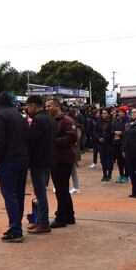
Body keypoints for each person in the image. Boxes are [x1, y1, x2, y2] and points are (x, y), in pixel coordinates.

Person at [0, 92, 29, 242]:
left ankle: (15, 229)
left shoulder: (0, 116)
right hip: (22, 159)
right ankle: (16, 226)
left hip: (9, 160)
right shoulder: (18, 115)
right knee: (18, 194)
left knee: (10, 195)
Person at [25, 95, 56, 235]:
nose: (26, 109)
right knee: (40, 192)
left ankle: (44, 223)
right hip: (48, 159)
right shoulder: (50, 118)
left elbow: (31, 139)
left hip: (38, 160)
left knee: (40, 193)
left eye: (28, 106)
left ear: (33, 105)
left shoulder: (38, 119)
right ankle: (39, 221)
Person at [46, 98, 78, 228]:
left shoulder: (67, 121)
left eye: (49, 106)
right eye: (46, 106)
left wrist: (53, 141)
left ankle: (61, 217)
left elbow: (72, 137)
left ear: (57, 106)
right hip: (55, 158)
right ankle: (69, 216)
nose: (47, 108)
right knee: (62, 189)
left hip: (63, 159)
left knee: (61, 189)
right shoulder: (52, 121)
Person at [96, 108, 115, 181]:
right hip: (100, 143)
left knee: (109, 159)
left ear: (109, 114)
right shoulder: (99, 121)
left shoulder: (112, 122)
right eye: (102, 113)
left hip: (109, 142)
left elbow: (112, 132)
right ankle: (104, 174)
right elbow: (95, 131)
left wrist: (105, 138)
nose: (103, 115)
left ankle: (109, 174)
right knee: (102, 159)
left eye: (105, 113)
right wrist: (98, 138)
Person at [112, 107, 129, 184]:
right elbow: (112, 130)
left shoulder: (128, 121)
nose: (120, 113)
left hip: (124, 143)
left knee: (125, 160)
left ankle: (126, 176)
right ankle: (121, 175)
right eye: (119, 112)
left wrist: (121, 133)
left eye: (122, 112)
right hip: (116, 142)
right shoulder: (115, 120)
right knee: (119, 160)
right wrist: (115, 132)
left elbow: (128, 130)